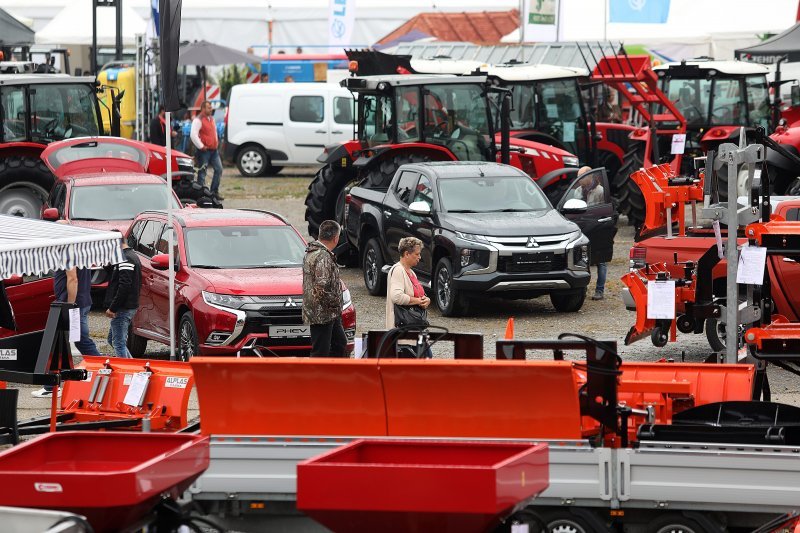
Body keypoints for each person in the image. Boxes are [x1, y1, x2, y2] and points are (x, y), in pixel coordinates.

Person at [32, 228, 102, 398]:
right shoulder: (80, 250)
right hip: (80, 302)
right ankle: (52, 385)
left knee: (71, 341)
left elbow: (72, 278)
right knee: (65, 341)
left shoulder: (67, 251)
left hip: (70, 304)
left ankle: (102, 371)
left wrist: (69, 304)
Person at [302, 220, 346, 357]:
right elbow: (322, 287)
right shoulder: (322, 256)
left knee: (340, 344)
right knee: (321, 351)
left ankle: (333, 375)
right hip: (323, 314)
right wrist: (336, 304)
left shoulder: (312, 252)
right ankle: (318, 377)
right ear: (336, 238)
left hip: (325, 313)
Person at [386, 237, 431, 357]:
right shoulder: (398, 271)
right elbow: (396, 296)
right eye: (417, 254)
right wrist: (417, 301)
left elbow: (420, 294)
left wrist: (426, 300)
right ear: (406, 254)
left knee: (426, 358)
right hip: (404, 331)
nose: (419, 257)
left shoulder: (411, 272)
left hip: (414, 329)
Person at [574, 166, 612, 301]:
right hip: (584, 228)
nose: (578, 181)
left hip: (598, 228)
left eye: (581, 177)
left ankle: (599, 290)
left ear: (590, 177)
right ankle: (582, 288)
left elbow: (605, 210)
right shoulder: (577, 191)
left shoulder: (600, 191)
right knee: (583, 259)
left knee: (601, 261)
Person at [104, 231, 142, 357]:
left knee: (118, 343)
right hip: (127, 306)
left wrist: (113, 307)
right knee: (113, 340)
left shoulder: (126, 259)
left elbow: (124, 286)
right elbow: (115, 276)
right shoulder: (127, 256)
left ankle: (128, 372)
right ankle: (133, 367)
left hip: (123, 307)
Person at [190, 100, 224, 201]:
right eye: (209, 107)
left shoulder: (211, 119)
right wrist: (201, 146)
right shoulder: (198, 120)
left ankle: (214, 192)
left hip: (214, 150)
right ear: (203, 109)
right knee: (202, 173)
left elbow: (214, 133)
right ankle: (200, 194)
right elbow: (193, 135)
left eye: (211, 107)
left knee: (219, 169)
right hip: (204, 151)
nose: (211, 109)